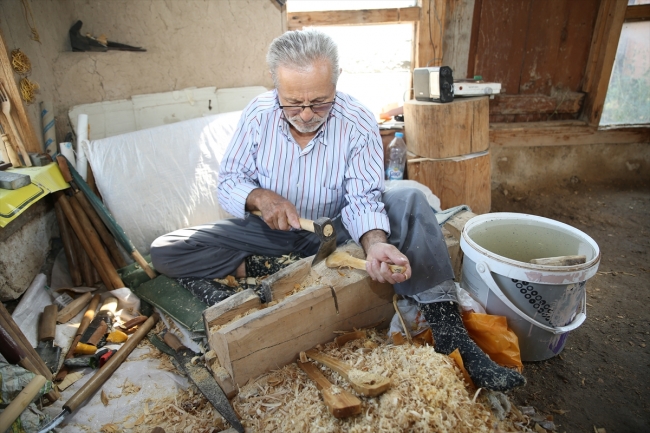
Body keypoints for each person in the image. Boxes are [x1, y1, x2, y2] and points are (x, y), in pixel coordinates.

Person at [150, 28, 525, 392]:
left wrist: (376, 244)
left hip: (337, 229)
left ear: (337, 80)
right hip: (273, 231)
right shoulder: (257, 115)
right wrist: (261, 198)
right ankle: (265, 266)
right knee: (166, 249)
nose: (308, 114)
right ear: (275, 85)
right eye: (294, 103)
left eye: (320, 102)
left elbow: (363, 199)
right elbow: (230, 180)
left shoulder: (357, 121)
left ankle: (450, 335)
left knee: (409, 198)